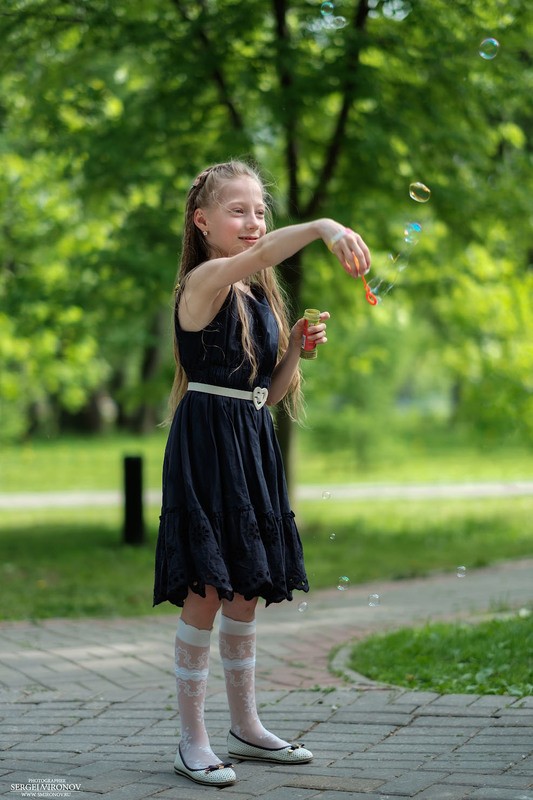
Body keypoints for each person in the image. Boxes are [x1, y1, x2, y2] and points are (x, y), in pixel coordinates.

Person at [153, 159, 371, 787]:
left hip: (249, 441)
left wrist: (294, 349)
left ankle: (246, 728)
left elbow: (267, 397)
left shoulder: (255, 293)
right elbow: (268, 252)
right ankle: (192, 737)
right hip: (206, 447)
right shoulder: (206, 278)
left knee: (246, 588)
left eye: (259, 210)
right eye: (238, 210)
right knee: (207, 590)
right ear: (203, 221)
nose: (253, 222)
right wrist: (324, 225)